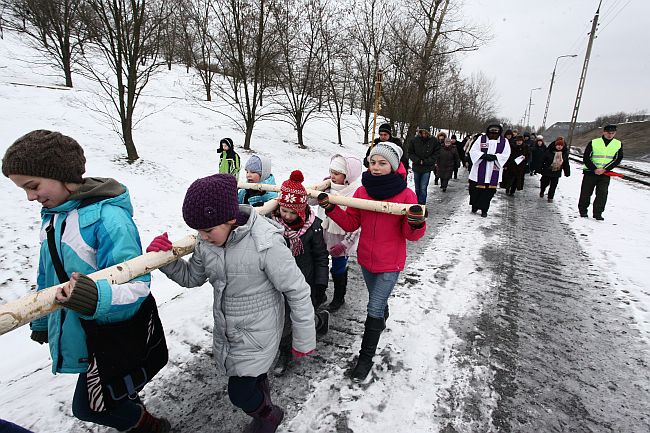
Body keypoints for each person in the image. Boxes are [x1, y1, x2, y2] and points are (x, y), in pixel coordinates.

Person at [1, 130, 169, 433]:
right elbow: (47, 273)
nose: (29, 197)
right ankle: (135, 413)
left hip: (108, 333)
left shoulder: (108, 219)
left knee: (88, 406)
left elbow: (136, 284)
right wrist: (41, 321)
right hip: (84, 332)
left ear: (62, 175)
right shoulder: (53, 217)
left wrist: (94, 298)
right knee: (114, 391)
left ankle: (148, 426)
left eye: (33, 186)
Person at [147, 174, 316, 433]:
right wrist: (168, 260)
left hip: (260, 332)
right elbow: (192, 277)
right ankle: (263, 405)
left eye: (207, 230)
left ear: (230, 219)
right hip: (229, 330)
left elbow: (297, 290)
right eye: (198, 231)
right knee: (252, 380)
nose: (201, 238)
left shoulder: (265, 243)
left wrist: (303, 339)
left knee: (239, 393)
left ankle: (269, 415)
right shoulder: (208, 244)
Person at [317, 142, 426, 381]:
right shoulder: (362, 191)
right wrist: (331, 207)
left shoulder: (406, 195)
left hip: (390, 263)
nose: (375, 167)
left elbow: (412, 236)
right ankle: (381, 313)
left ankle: (365, 359)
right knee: (378, 302)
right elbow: (350, 223)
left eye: (382, 163)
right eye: (373, 162)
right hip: (366, 259)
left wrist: (416, 221)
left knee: (373, 308)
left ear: (394, 165)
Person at [271, 170, 330, 375]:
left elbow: (321, 257)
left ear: (302, 211)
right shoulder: (272, 225)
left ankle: (320, 320)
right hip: (279, 282)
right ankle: (285, 352)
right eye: (283, 210)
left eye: (292, 212)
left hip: (305, 282)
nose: (286, 216)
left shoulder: (312, 228)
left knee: (303, 317)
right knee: (284, 319)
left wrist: (321, 284)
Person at [317, 154, 362, 312]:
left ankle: (339, 297)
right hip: (322, 232)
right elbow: (309, 200)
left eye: (337, 173)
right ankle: (319, 293)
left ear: (348, 175)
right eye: (331, 172)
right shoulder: (327, 187)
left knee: (338, 268)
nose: (332, 176)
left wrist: (345, 244)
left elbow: (357, 225)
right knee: (319, 264)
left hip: (341, 237)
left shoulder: (355, 192)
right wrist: (319, 187)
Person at [578, 124, 623, 220]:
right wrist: (594, 169)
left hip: (605, 173)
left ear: (615, 133)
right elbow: (586, 157)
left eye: (612, 133)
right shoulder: (594, 142)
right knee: (586, 193)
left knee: (602, 194)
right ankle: (583, 211)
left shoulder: (618, 144)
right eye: (608, 133)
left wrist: (605, 169)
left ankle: (598, 213)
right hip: (590, 172)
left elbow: (617, 159)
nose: (610, 135)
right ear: (604, 132)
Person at [468, 125, 512, 217]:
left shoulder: (504, 142)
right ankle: (475, 205)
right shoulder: (481, 139)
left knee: (488, 192)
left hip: (493, 169)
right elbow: (473, 151)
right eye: (491, 132)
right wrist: (483, 155)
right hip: (479, 169)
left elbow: (506, 154)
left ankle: (484, 209)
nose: (493, 135)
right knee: (475, 190)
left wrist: (496, 157)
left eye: (495, 133)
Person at [408, 125, 440, 205]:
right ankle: (416, 202)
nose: (424, 134)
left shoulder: (434, 141)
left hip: (427, 168)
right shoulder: (414, 140)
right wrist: (418, 160)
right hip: (417, 167)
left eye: (426, 133)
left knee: (423, 187)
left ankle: (422, 204)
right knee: (417, 188)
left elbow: (436, 153)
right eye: (422, 132)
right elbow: (411, 153)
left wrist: (426, 161)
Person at [539, 137, 570, 202]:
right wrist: (540, 168)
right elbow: (542, 160)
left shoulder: (564, 154)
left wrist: (567, 172)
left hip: (557, 171)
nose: (559, 147)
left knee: (553, 185)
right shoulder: (549, 151)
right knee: (544, 183)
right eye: (558, 145)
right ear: (555, 145)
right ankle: (542, 191)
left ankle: (550, 197)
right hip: (547, 170)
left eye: (561, 145)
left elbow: (566, 163)